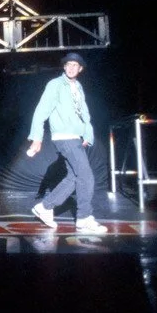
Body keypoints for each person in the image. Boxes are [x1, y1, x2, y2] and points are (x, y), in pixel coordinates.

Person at [27, 52, 108, 234]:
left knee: (73, 177)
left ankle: (45, 207)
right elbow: (41, 111)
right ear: (64, 67)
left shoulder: (78, 87)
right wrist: (37, 138)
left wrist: (88, 135)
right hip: (64, 137)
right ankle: (84, 218)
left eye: (75, 65)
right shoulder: (55, 85)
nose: (71, 68)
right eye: (68, 64)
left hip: (76, 137)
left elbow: (85, 114)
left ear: (80, 69)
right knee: (86, 176)